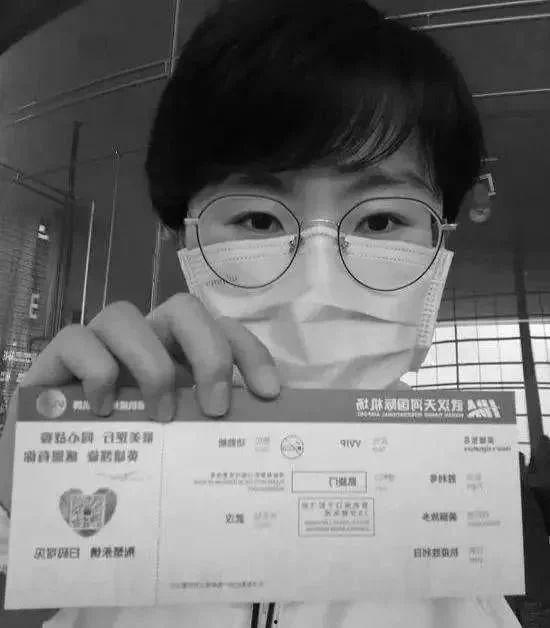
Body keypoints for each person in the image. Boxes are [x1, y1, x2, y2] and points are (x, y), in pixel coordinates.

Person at [0, 0, 525, 625]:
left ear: (441, 240)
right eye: (257, 219)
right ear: (183, 238)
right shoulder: (116, 496)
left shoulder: (459, 545)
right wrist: (21, 508)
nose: (318, 289)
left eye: (382, 220)